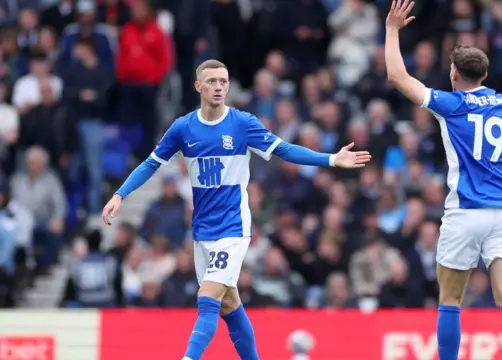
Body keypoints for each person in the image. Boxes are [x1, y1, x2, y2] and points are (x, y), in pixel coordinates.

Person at [101, 59, 371, 360]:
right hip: (202, 231)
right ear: (198, 86)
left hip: (232, 228)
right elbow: (151, 163)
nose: (218, 87)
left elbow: (284, 149)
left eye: (223, 81)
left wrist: (332, 159)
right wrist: (120, 194)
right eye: (212, 81)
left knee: (207, 299)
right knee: (229, 305)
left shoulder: (242, 124)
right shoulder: (183, 128)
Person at [384, 1, 502, 359]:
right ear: (485, 77)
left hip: (465, 210)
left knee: (449, 300)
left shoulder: (451, 104)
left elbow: (398, 77)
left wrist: (391, 30)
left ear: (454, 74)